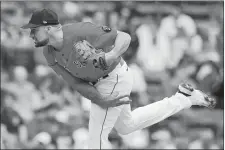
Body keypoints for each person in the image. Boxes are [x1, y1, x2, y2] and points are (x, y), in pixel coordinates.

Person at [22, 9, 216, 149]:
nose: (31, 34)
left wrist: (112, 54)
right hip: (99, 84)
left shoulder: (80, 31)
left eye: (34, 29)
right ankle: (183, 99)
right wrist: (100, 99)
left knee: (95, 139)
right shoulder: (49, 53)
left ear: (47, 28)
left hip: (114, 76)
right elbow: (74, 82)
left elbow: (124, 37)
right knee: (126, 126)